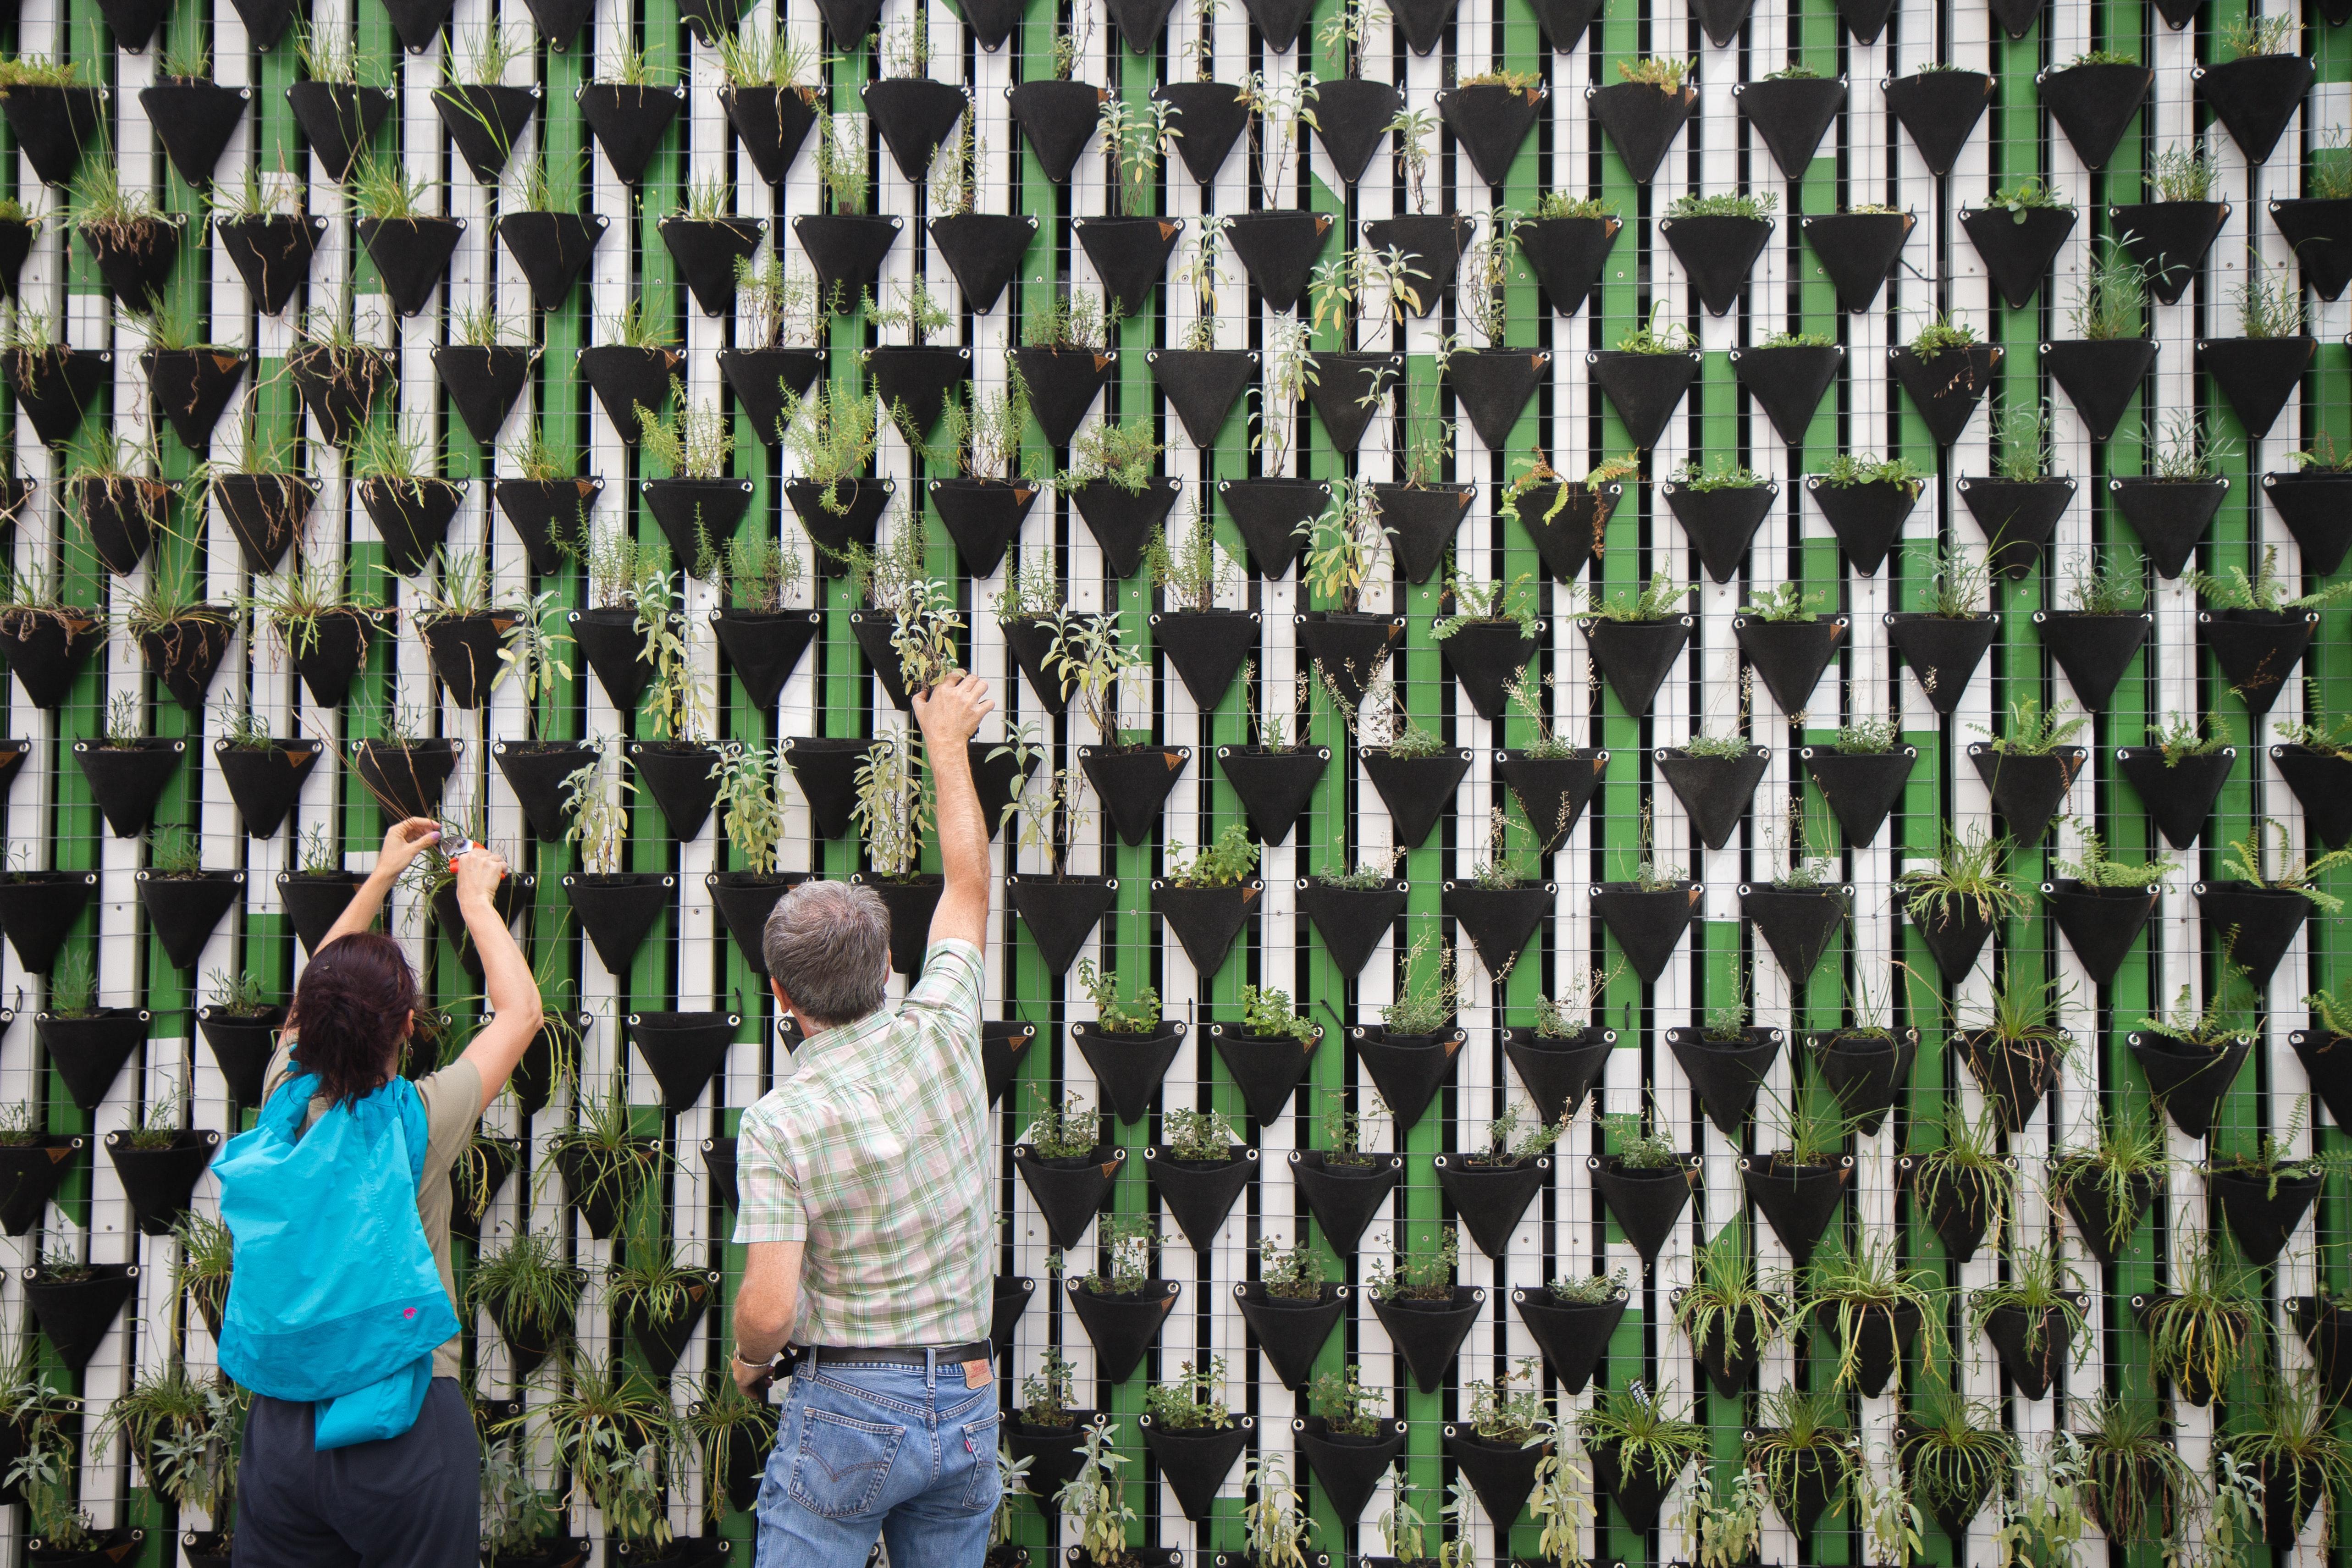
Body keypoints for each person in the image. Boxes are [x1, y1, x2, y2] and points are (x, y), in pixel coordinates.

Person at [730, 670, 1000, 1568]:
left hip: (846, 1406)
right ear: (890, 963)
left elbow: (769, 1311)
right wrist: (946, 744)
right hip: (966, 1396)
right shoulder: (946, 1027)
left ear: (780, 993)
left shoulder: (779, 1122)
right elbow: (969, 882)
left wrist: (747, 1363)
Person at [225, 819, 541, 1568]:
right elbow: (521, 1013)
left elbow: (313, 999)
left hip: (282, 1425)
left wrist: (381, 875)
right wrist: (475, 902)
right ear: (407, 1024)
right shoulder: (418, 1125)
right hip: (401, 1419)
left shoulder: (282, 1102)